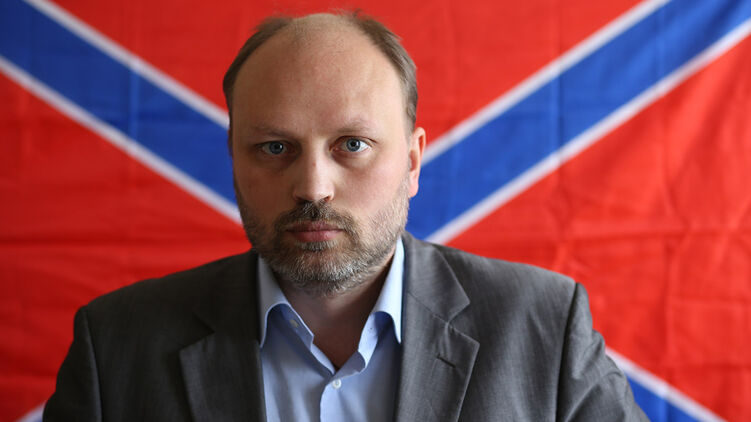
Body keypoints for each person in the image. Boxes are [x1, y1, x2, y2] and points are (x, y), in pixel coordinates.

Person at [44, 11, 647, 422]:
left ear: (412, 161)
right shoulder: (116, 347)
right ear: (233, 157)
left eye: (352, 145)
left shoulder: (544, 327)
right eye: (274, 147)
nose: (313, 187)